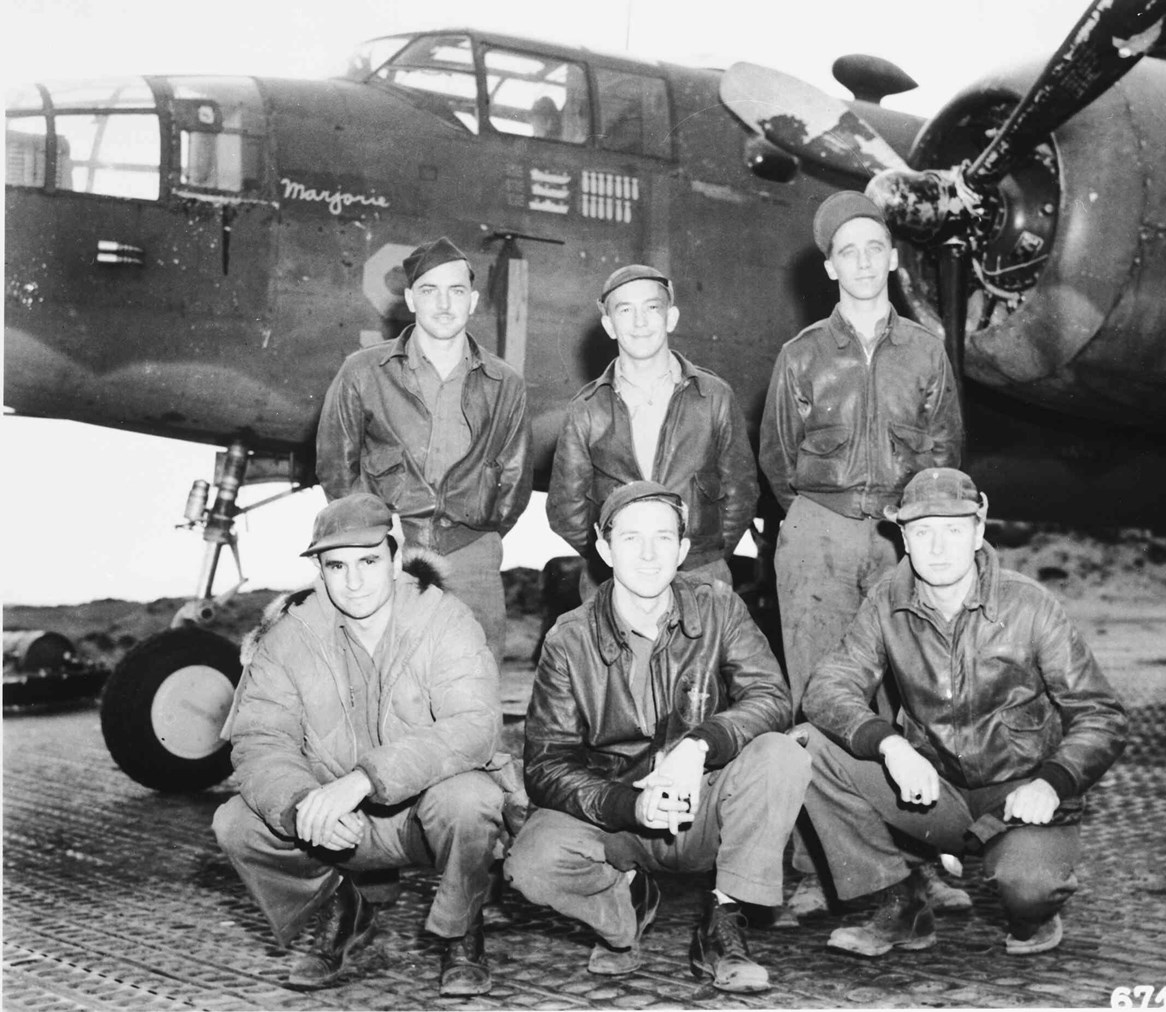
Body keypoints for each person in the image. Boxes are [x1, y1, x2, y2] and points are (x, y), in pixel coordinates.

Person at [801, 468, 1129, 957]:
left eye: (953, 530)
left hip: (1020, 795)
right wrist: (889, 745)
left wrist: (1052, 782)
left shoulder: (1030, 606)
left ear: (978, 532)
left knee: (1028, 887)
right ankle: (901, 904)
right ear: (904, 539)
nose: (938, 547)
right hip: (935, 792)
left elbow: (1102, 713)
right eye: (922, 531)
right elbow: (829, 685)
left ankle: (1033, 916)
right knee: (806, 746)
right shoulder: (887, 600)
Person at [505, 481, 808, 993]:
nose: (649, 554)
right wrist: (629, 805)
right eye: (631, 538)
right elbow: (546, 765)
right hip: (617, 817)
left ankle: (724, 921)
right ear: (604, 549)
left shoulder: (718, 607)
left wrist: (699, 745)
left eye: (664, 538)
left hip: (700, 806)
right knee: (532, 864)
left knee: (781, 755)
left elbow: (771, 698)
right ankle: (623, 908)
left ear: (684, 549)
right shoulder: (568, 638)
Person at [759, 190, 966, 916]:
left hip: (900, 539)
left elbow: (944, 454)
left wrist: (901, 530)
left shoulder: (926, 352)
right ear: (830, 267)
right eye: (848, 250)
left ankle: (922, 855)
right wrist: (826, 522)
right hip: (819, 529)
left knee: (908, 702)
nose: (863, 261)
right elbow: (778, 461)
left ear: (893, 259)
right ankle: (828, 869)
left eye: (875, 247)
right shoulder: (802, 354)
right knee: (820, 698)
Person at [212, 493, 504, 995]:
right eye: (336, 565)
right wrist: (302, 803)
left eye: (369, 561)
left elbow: (474, 725)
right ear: (320, 572)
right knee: (237, 823)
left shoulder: (444, 619)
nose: (353, 580)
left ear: (394, 560)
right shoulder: (289, 637)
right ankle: (340, 906)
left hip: (421, 816)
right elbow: (260, 738)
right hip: (336, 825)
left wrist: (366, 779)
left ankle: (462, 928)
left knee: (472, 799)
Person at [317, 237, 532, 667]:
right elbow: (336, 467)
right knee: (382, 684)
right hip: (389, 552)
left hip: (471, 556)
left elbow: (515, 481)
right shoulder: (362, 372)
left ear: (472, 301)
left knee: (475, 685)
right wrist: (377, 535)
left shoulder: (505, 382)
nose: (444, 304)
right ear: (411, 299)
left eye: (456, 291)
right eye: (430, 291)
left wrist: (477, 538)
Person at [547, 264, 758, 597]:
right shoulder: (587, 409)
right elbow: (565, 509)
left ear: (671, 317)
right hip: (613, 586)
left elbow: (741, 493)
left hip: (699, 579)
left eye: (652, 308)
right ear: (609, 325)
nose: (640, 322)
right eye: (625, 310)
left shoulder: (714, 397)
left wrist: (702, 555)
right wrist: (616, 559)